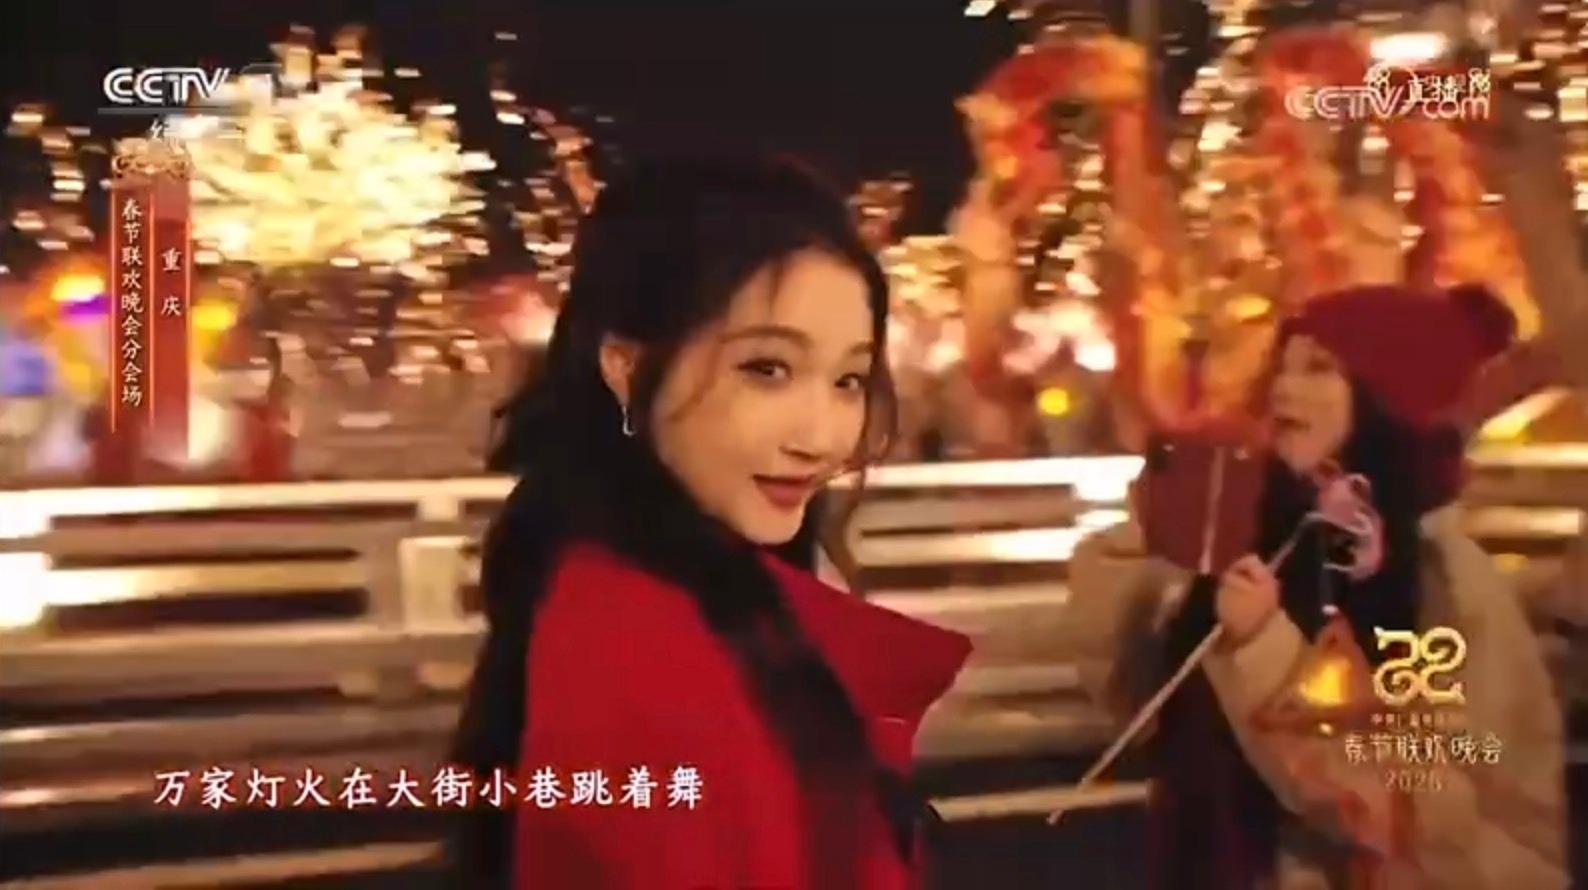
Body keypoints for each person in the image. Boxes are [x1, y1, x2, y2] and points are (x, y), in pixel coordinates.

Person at [448, 156, 972, 889]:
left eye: (848, 379)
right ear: (627, 368)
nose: (822, 437)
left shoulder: (693, 601)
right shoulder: (637, 648)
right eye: (767, 369)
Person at [1066, 284, 1568, 888]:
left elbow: (1409, 805)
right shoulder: (1280, 539)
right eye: (1282, 366)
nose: (1284, 387)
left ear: (1387, 396)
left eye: (1319, 368)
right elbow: (1128, 686)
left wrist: (1267, 653)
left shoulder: (1446, 583)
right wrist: (1161, 528)